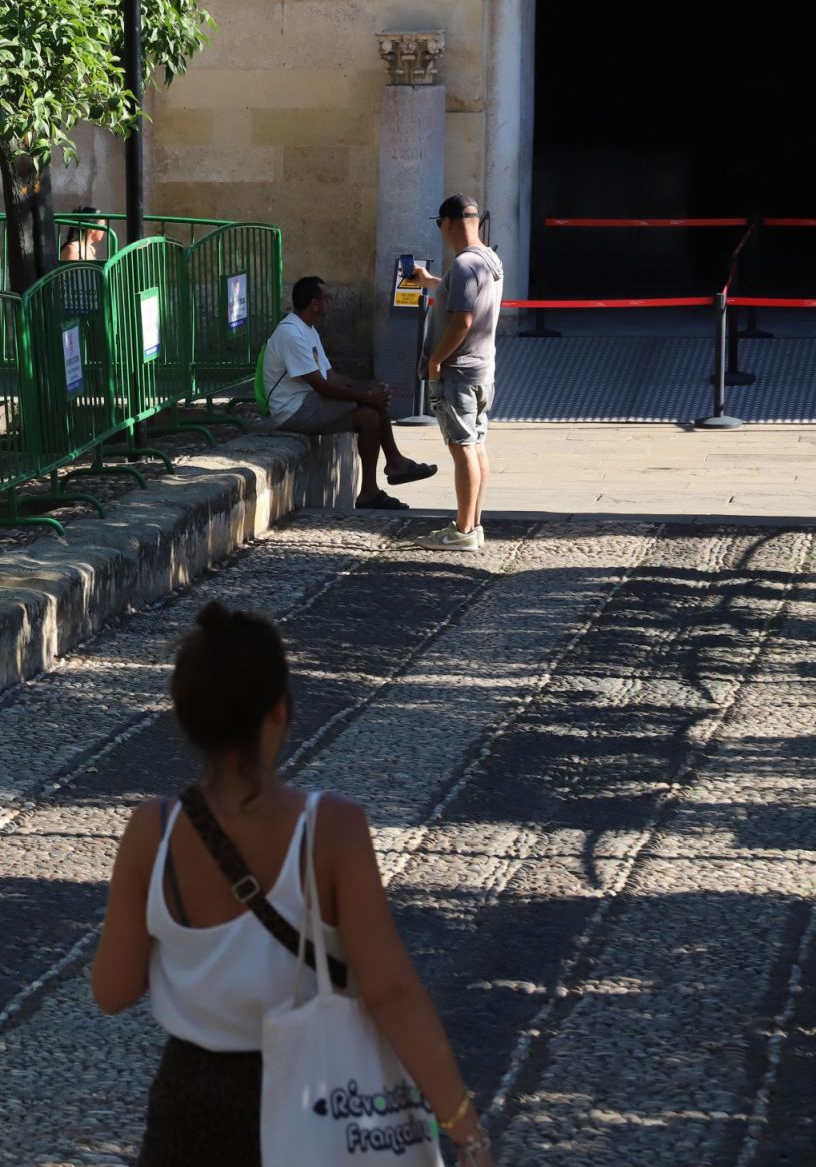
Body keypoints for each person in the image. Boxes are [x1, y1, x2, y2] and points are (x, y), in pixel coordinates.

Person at [90, 603, 496, 1167]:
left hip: (188, 1106)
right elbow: (391, 992)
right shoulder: (330, 829)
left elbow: (112, 991)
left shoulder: (150, 832)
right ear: (279, 710)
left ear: (187, 718)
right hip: (312, 1098)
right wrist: (462, 1127)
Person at [262, 276, 434, 510]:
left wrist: (368, 388)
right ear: (314, 304)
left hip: (308, 402)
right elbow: (321, 386)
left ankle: (386, 473)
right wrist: (368, 397)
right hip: (293, 409)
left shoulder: (307, 330)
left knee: (373, 410)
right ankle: (382, 478)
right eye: (327, 299)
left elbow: (331, 376)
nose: (330, 304)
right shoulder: (291, 334)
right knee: (370, 412)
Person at [410, 195, 503, 551]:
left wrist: (435, 360)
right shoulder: (488, 259)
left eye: (439, 225)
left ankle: (463, 531)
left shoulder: (464, 264)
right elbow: (464, 298)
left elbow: (462, 321)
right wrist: (432, 282)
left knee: (461, 446)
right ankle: (473, 524)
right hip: (482, 370)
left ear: (447, 223)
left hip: (458, 371)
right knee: (476, 445)